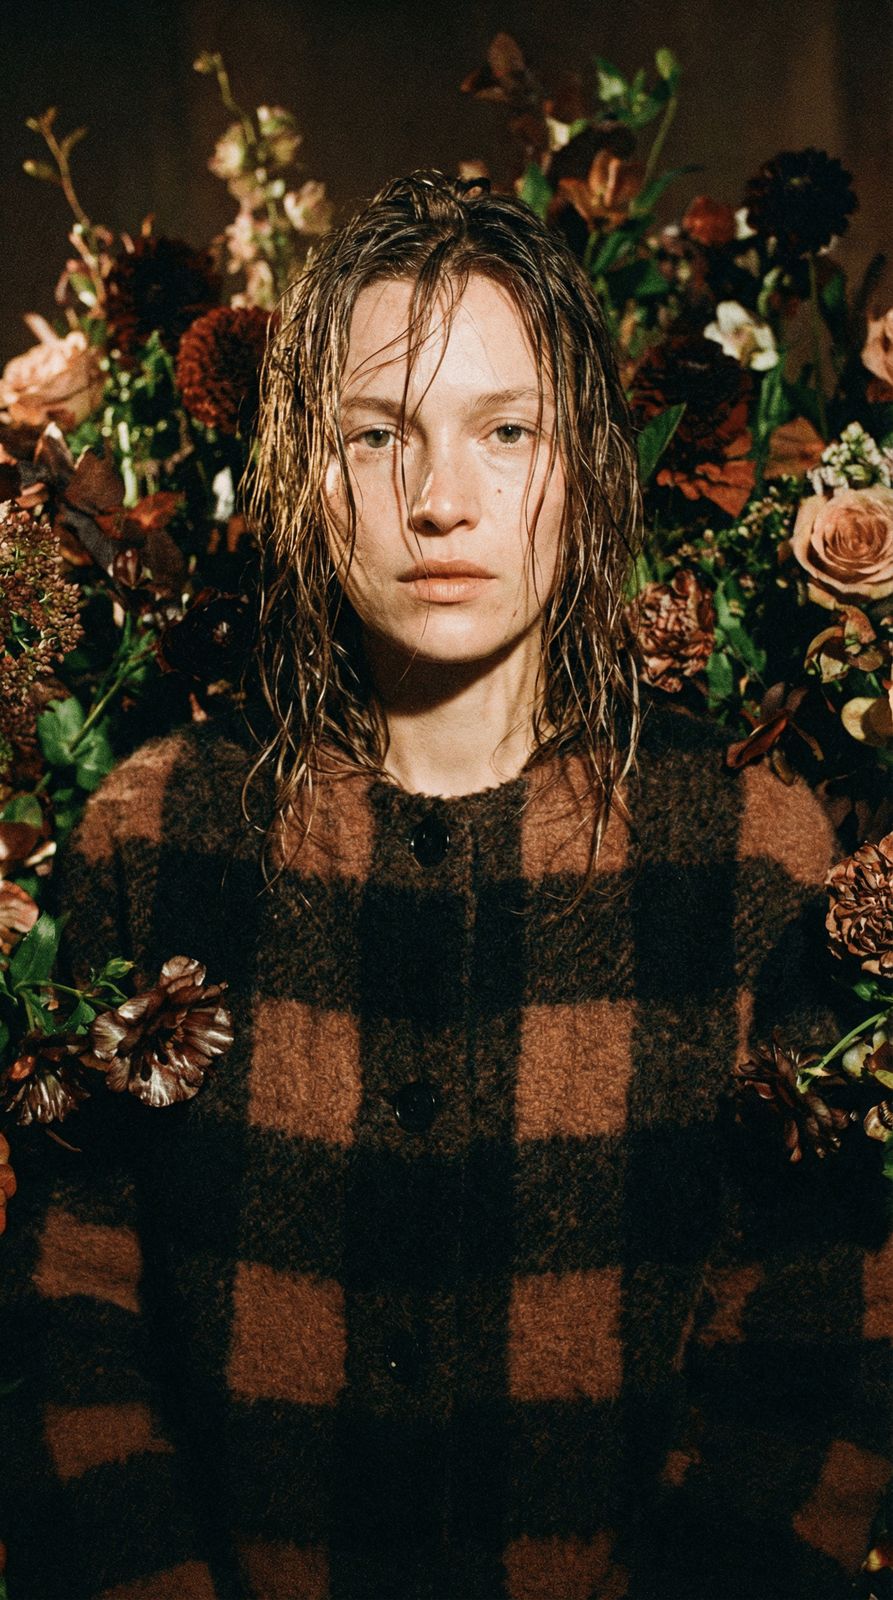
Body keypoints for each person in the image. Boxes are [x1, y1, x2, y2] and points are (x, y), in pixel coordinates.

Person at [2, 171, 889, 1600]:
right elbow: (70, 1319)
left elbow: (809, 1351)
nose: (437, 501)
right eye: (378, 434)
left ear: (581, 465)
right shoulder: (159, 832)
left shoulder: (746, 850)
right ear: (309, 470)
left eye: (505, 430)